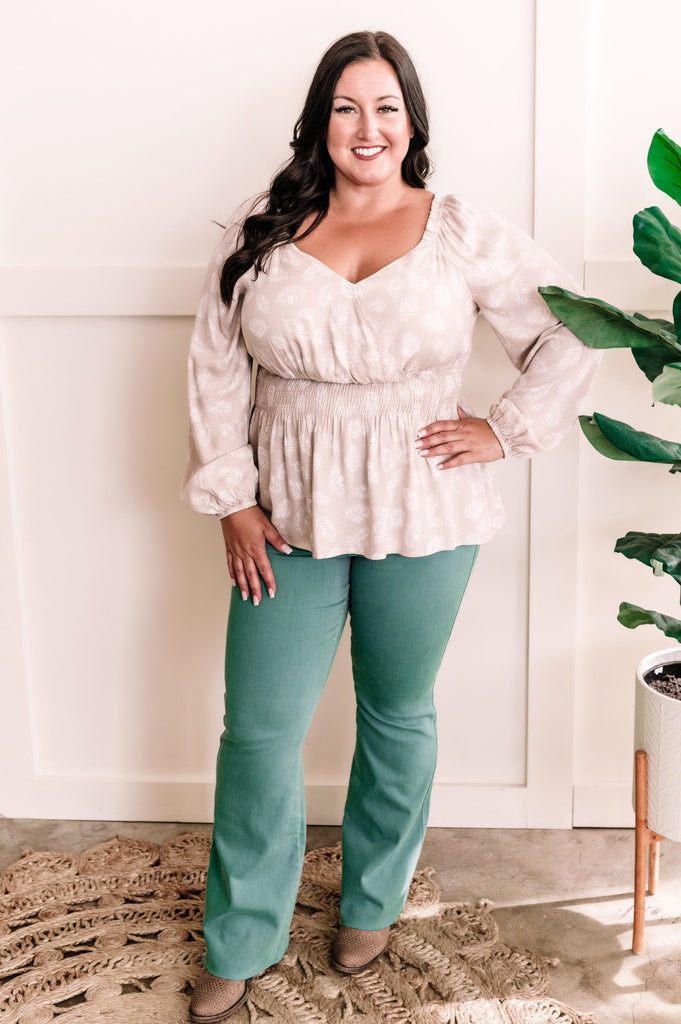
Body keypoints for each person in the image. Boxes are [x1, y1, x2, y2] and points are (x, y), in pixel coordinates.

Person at [181, 30, 599, 1022]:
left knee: (397, 712)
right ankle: (242, 936)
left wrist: (504, 429)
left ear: (411, 123)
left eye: (385, 108)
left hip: (427, 504)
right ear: (319, 121)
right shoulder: (263, 230)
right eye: (346, 107)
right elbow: (214, 365)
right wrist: (232, 499)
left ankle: (372, 901)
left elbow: (567, 331)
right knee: (259, 731)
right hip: (287, 513)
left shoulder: (460, 230)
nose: (366, 128)